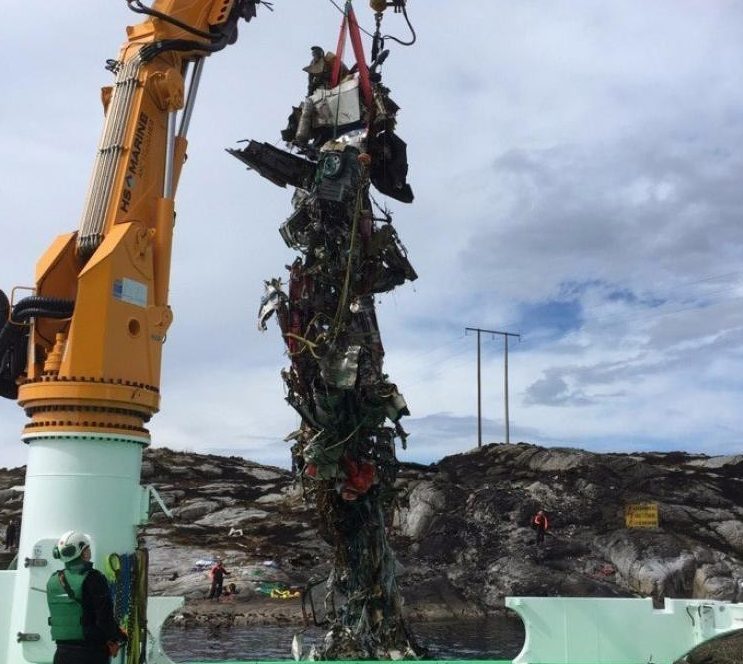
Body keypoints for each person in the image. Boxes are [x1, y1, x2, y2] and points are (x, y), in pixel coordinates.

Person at [46, 531, 126, 664]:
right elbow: (104, 619)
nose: (89, 551)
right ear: (83, 552)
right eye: (87, 548)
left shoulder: (53, 580)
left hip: (61, 654)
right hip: (90, 654)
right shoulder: (94, 578)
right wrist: (120, 636)